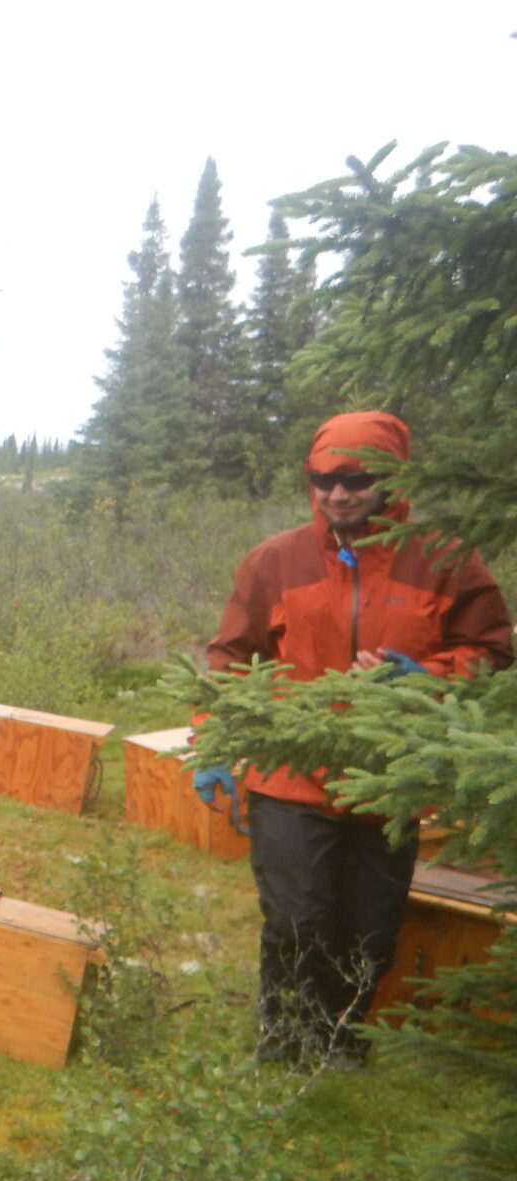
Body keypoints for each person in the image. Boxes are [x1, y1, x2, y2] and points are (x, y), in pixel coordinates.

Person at [201, 411, 512, 1068]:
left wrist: (427, 678)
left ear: (391, 478)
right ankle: (284, 1040)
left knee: (370, 922)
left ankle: (342, 1039)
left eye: (355, 480)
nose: (337, 495)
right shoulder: (274, 561)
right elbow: (229, 660)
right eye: (322, 481)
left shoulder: (445, 559)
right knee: (296, 918)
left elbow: (492, 650)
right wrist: (213, 748)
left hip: (391, 776)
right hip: (289, 772)